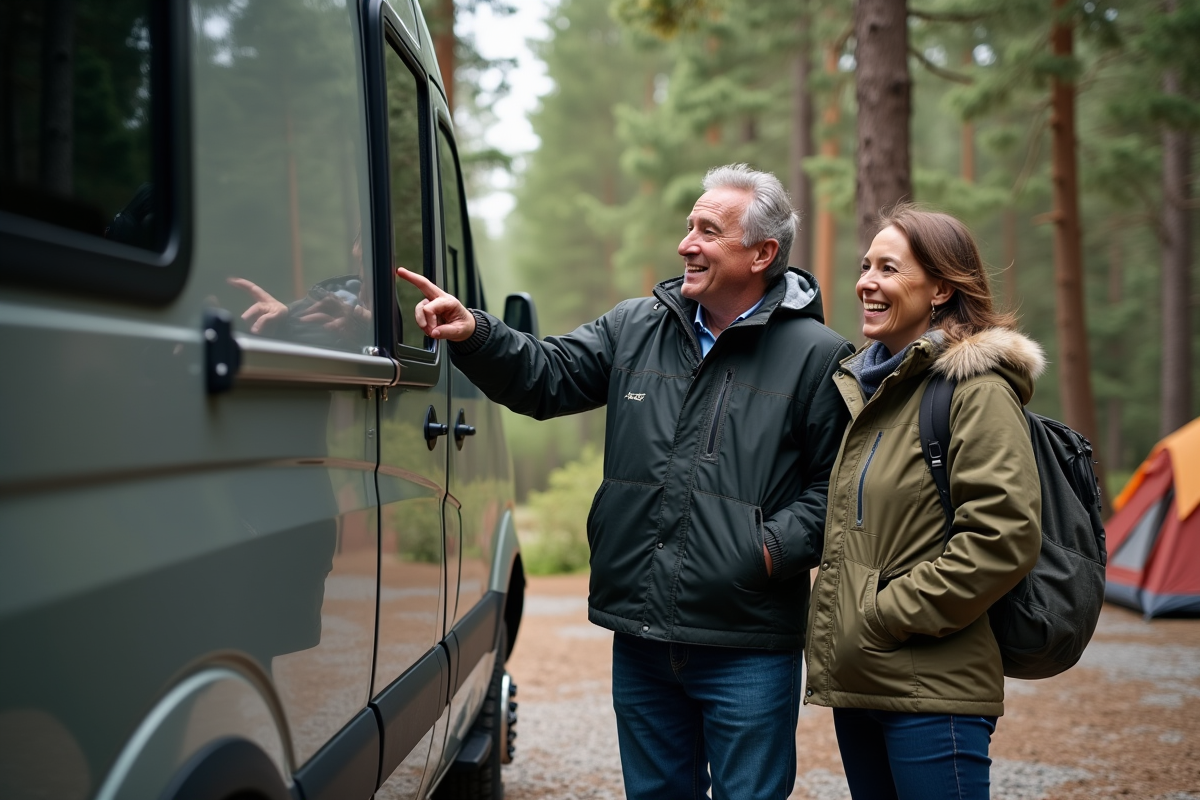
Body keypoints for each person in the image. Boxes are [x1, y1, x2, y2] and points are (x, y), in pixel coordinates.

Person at [399, 163, 853, 799]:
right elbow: (547, 375)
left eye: (708, 232)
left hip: (747, 640)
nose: (686, 244)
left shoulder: (819, 354)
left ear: (762, 253)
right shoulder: (636, 325)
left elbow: (835, 489)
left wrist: (762, 551)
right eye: (688, 227)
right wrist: (477, 334)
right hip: (641, 633)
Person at [804, 205, 1045, 800]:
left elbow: (1003, 536)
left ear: (941, 288)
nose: (867, 281)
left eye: (889, 268)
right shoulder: (874, 393)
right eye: (865, 266)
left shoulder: (977, 392)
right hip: (866, 681)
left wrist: (885, 616)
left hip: (933, 688)